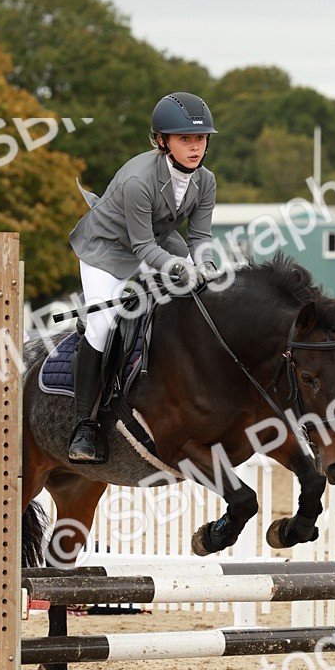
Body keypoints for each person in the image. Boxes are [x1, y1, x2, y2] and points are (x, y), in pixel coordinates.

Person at [66, 91, 220, 462]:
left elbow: (199, 237)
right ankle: (83, 426)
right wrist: (181, 268)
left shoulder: (206, 181)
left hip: (158, 242)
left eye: (200, 138)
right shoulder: (138, 179)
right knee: (103, 326)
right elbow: (142, 248)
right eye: (185, 139)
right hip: (106, 250)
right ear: (163, 141)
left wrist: (208, 267)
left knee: (200, 298)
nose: (195, 147)